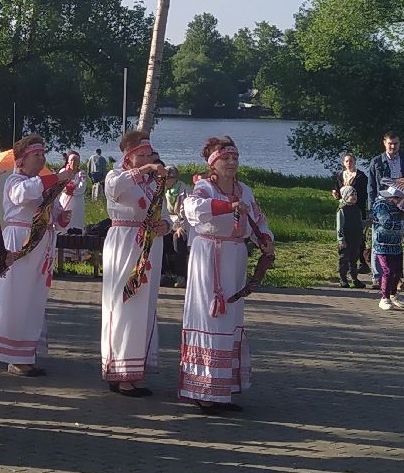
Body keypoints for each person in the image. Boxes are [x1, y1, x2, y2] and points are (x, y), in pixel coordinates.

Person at [178, 136, 274, 414]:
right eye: (225, 159)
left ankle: (223, 390)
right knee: (209, 317)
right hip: (209, 257)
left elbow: (258, 219)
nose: (231, 163)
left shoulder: (245, 190)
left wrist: (265, 239)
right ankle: (203, 390)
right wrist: (227, 207)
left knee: (231, 319)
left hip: (235, 258)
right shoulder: (203, 188)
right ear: (213, 163)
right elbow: (193, 211)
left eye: (235, 158)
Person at [0, 135, 73, 377]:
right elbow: (21, 195)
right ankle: (13, 356)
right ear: (22, 160)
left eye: (44, 154)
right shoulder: (15, 180)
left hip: (41, 243)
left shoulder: (41, 185)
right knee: (17, 295)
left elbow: (56, 215)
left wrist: (63, 215)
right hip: (20, 241)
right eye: (37, 154)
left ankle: (26, 353)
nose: (42, 158)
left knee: (34, 297)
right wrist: (55, 178)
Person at [101, 131, 170, 396]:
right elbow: (115, 191)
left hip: (150, 243)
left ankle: (134, 369)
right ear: (128, 157)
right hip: (124, 240)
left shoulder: (153, 183)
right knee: (123, 302)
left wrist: (166, 223)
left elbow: (162, 209)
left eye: (149, 155)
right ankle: (118, 370)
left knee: (144, 303)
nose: (146, 159)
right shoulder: (115, 175)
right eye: (140, 155)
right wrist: (144, 170)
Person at [368, 133, 404, 290]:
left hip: (401, 205)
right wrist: (372, 208)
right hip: (382, 206)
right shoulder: (376, 162)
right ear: (384, 143)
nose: (393, 146)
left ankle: (397, 278)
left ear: (399, 144)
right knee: (378, 240)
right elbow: (371, 188)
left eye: (395, 143)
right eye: (390, 144)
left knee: (397, 243)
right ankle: (377, 277)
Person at [371, 186, 404, 311]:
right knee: (387, 271)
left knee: (397, 272)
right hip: (383, 245)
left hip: (396, 244)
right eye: (400, 199)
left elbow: (400, 221)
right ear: (393, 197)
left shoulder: (397, 206)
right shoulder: (381, 206)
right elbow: (386, 223)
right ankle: (384, 298)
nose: (401, 201)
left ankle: (393, 295)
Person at [331, 152, 370, 272]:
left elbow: (364, 194)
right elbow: (337, 190)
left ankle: (363, 262)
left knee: (359, 235)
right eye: (346, 161)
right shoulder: (341, 176)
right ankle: (344, 261)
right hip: (344, 208)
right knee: (343, 231)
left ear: (355, 162)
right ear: (343, 163)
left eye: (351, 161)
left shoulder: (361, 176)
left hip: (357, 208)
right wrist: (335, 193)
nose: (349, 163)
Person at [161, 164, 191, 287]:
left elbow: (186, 213)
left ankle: (181, 276)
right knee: (160, 238)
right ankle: (162, 274)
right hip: (168, 223)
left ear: (174, 178)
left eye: (168, 178)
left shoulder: (183, 190)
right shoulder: (164, 191)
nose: (165, 181)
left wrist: (180, 227)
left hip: (181, 225)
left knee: (177, 239)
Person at [336, 185, 366, 289]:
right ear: (345, 196)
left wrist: (367, 223)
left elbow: (360, 223)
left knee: (354, 259)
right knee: (344, 259)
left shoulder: (357, 209)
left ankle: (354, 278)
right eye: (351, 194)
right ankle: (343, 278)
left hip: (356, 239)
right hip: (346, 239)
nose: (354, 196)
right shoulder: (342, 210)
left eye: (355, 194)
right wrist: (341, 240)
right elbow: (340, 226)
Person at [63, 151, 87, 233]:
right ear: (68, 161)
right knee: (63, 220)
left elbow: (81, 188)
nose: (74, 162)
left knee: (76, 222)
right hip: (65, 200)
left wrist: (69, 190)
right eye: (72, 160)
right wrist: (73, 188)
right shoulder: (63, 172)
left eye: (76, 161)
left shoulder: (81, 174)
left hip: (77, 202)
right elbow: (60, 186)